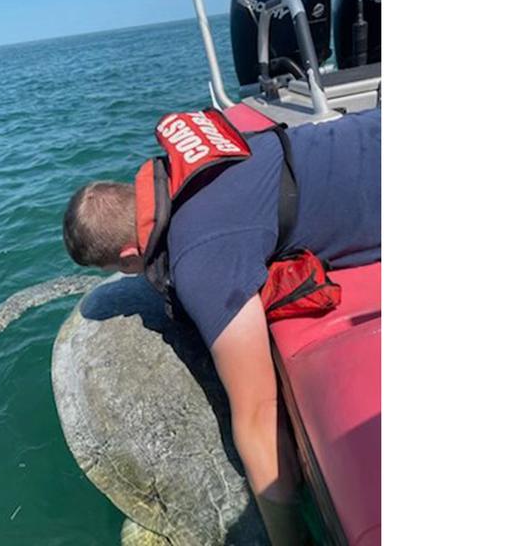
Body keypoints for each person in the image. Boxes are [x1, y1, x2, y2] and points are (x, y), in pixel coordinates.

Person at [63, 107, 380, 545]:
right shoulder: (199, 153)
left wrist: (288, 538)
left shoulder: (203, 262)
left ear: (128, 259)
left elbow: (257, 414)